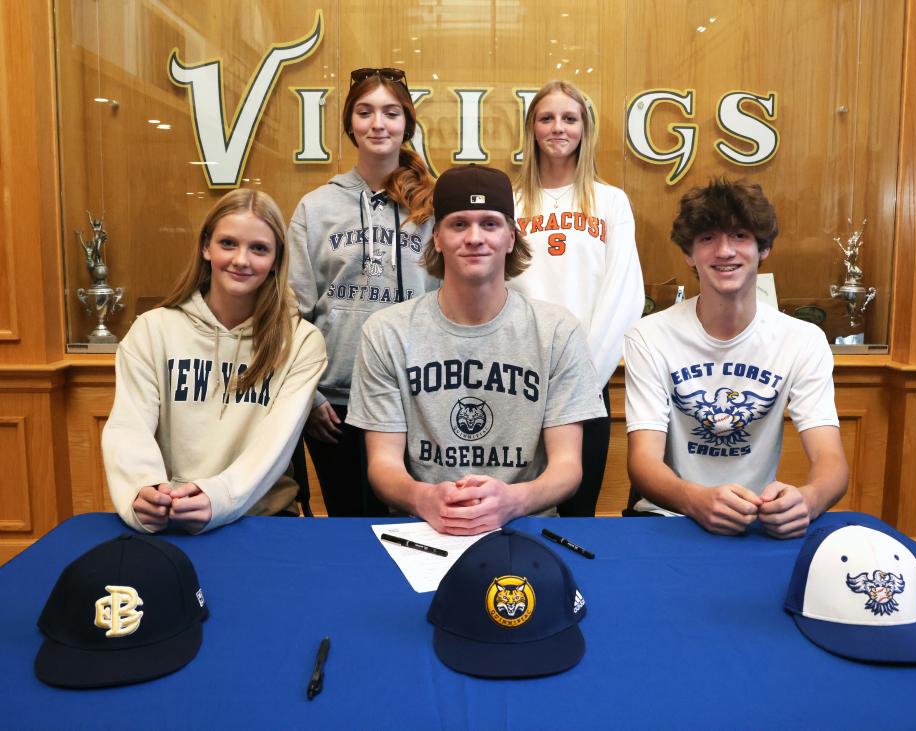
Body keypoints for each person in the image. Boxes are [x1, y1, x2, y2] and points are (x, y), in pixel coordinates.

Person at [347, 165, 607, 535]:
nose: (474, 237)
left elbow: (567, 469)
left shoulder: (557, 331)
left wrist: (514, 500)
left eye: (489, 223)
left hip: (525, 526)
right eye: (458, 224)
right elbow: (383, 466)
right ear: (436, 237)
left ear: (511, 237)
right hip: (423, 529)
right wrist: (424, 498)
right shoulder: (387, 332)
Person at [624, 178, 848, 538]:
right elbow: (643, 462)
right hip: (667, 518)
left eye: (740, 236)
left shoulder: (803, 340)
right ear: (688, 253)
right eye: (708, 238)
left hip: (757, 521)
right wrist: (695, 499)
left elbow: (830, 461)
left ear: (763, 248)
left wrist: (808, 500)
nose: (724, 251)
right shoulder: (649, 336)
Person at [102, 189, 328, 533]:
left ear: (276, 260)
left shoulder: (301, 342)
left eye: (259, 248)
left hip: (263, 520)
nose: (241, 260)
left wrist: (218, 497)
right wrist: (141, 488)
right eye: (228, 244)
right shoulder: (152, 329)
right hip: (173, 515)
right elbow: (128, 425)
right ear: (206, 247)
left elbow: (274, 444)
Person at [287, 67, 436, 516]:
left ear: (407, 124)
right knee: (348, 522)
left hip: (416, 396)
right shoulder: (316, 207)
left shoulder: (432, 206)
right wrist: (307, 396)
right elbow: (291, 313)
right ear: (350, 124)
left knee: (415, 525)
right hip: (334, 406)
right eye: (365, 112)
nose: (378, 123)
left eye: (391, 113)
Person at [509, 80, 644, 516]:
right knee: (519, 505)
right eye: (546, 118)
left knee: (577, 512)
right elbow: (501, 291)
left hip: (588, 380)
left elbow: (624, 294)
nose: (558, 128)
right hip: (519, 380)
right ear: (531, 128)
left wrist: (582, 378)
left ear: (586, 128)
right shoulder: (508, 203)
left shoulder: (610, 202)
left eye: (570, 118)